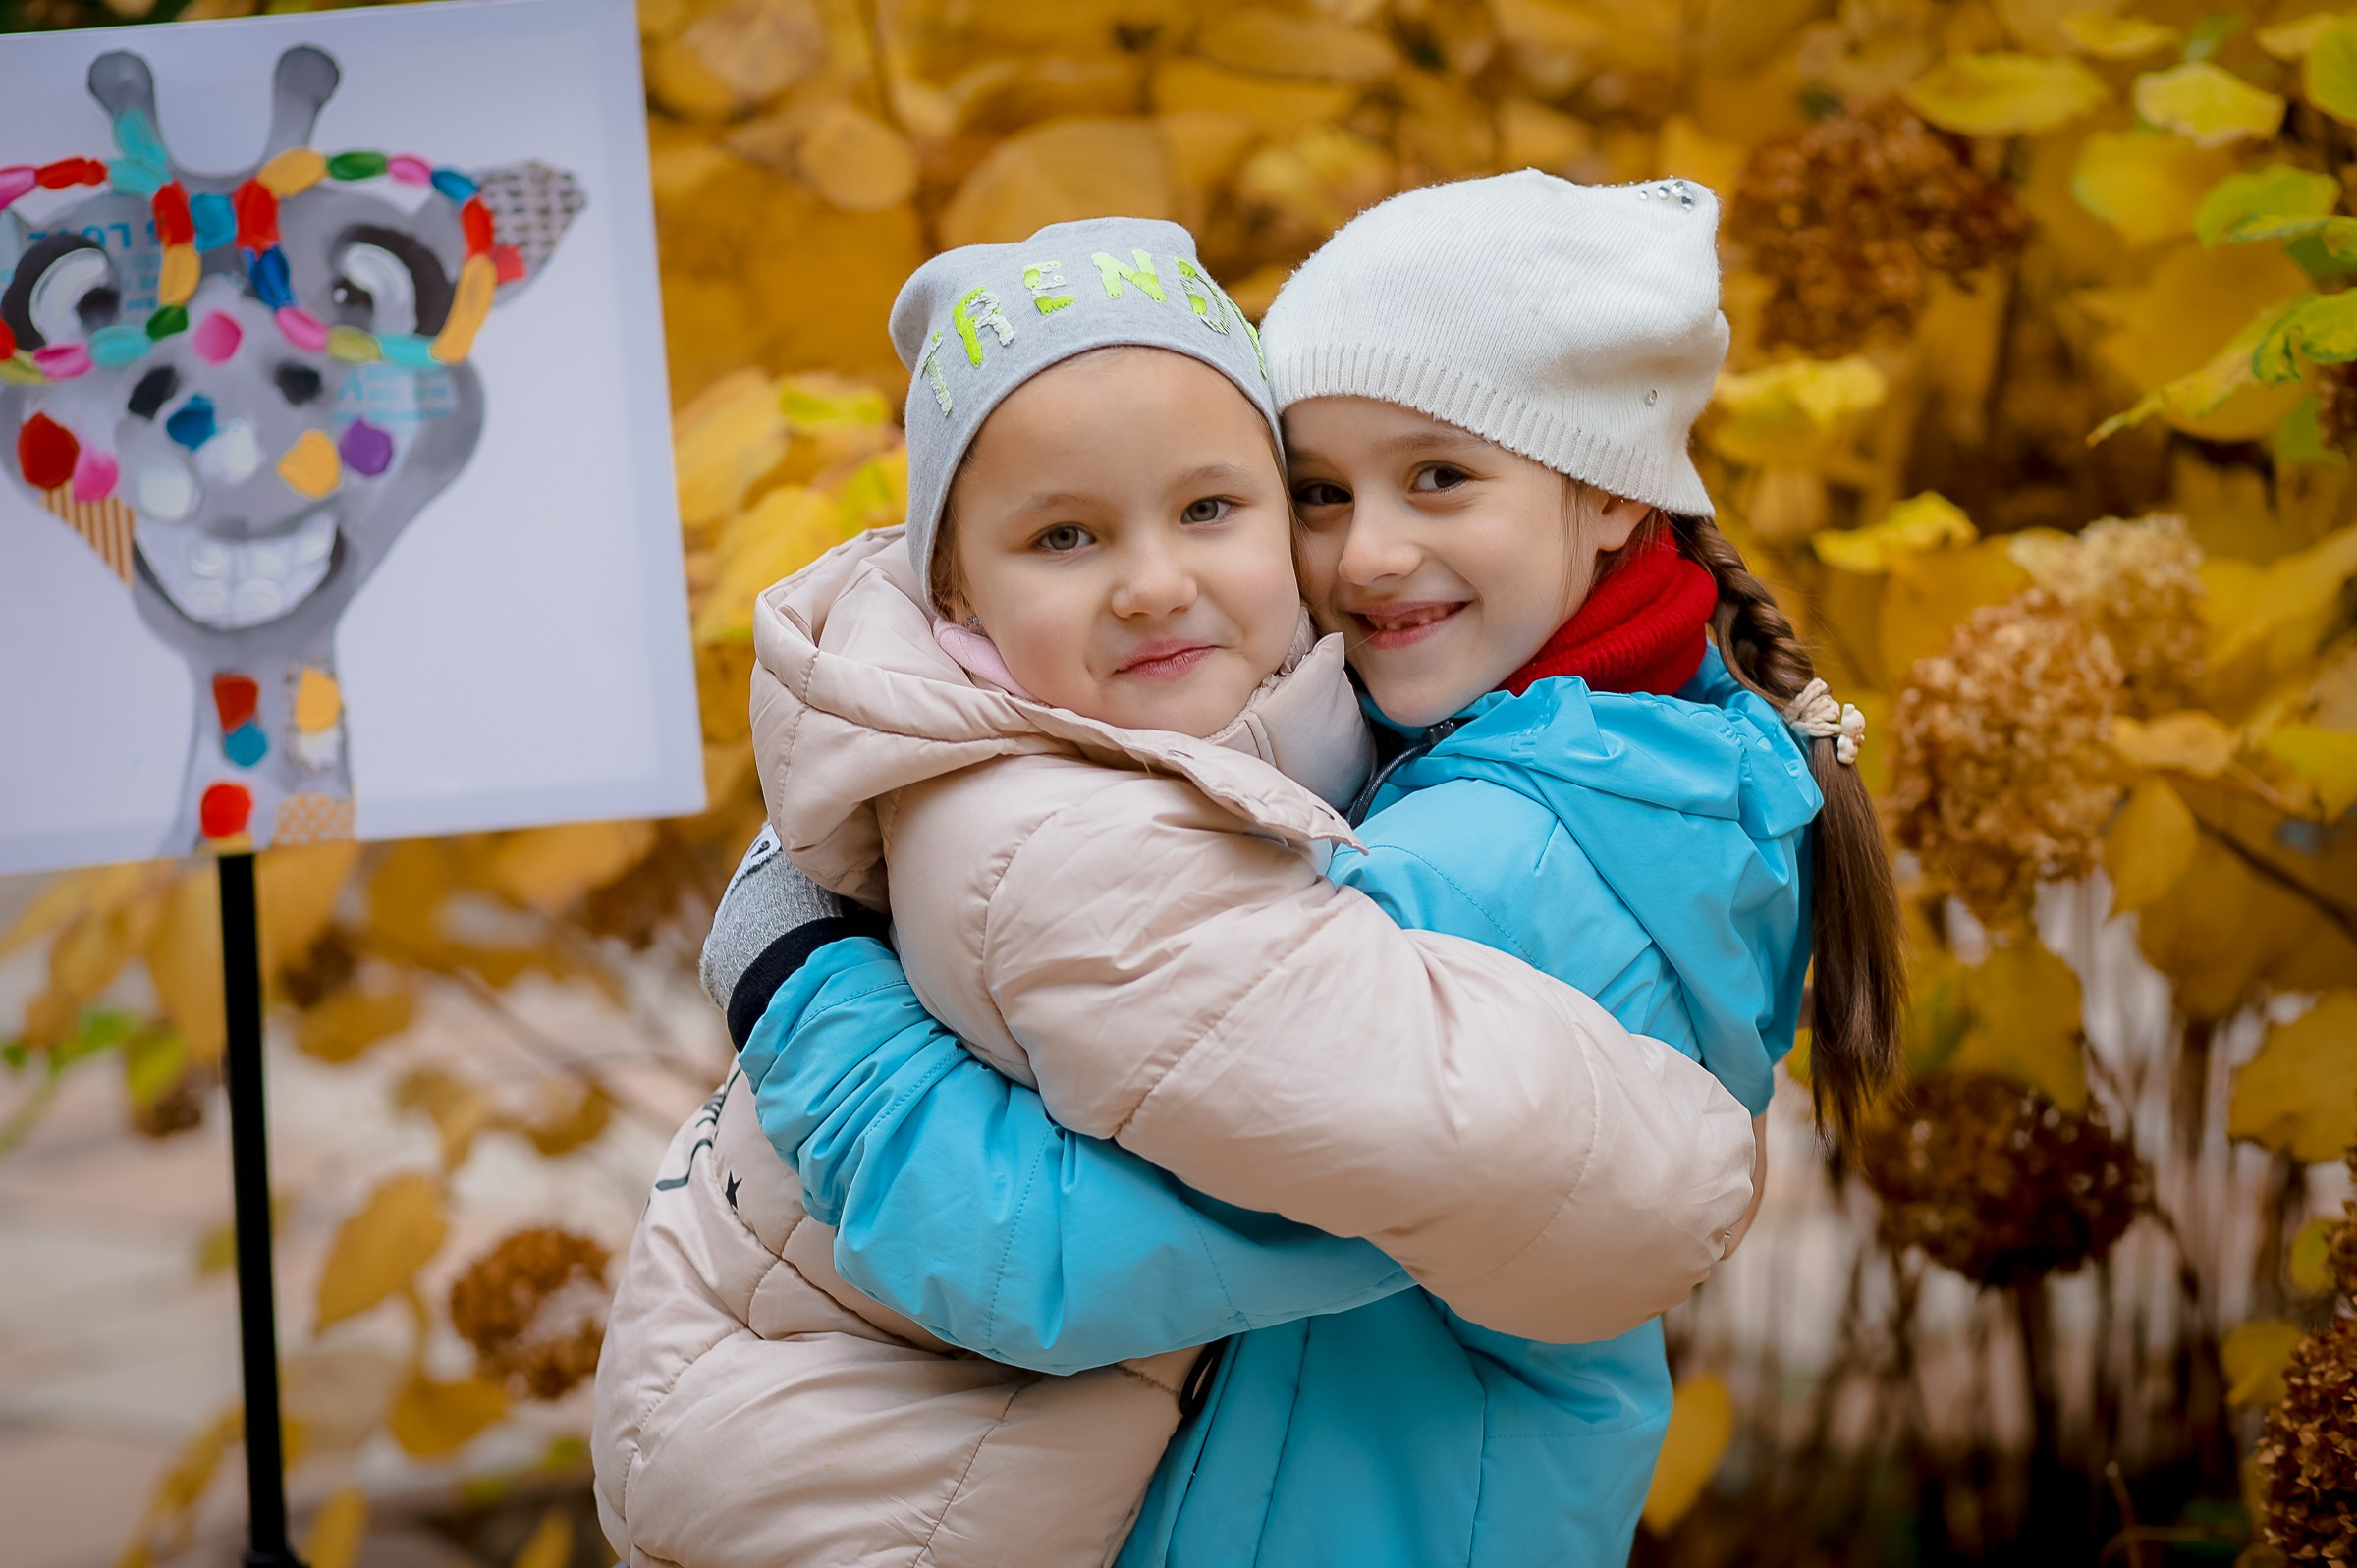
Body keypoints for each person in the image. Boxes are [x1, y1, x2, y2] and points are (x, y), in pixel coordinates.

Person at [716, 173, 1906, 1567]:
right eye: (1321, 491)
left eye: (1441, 476)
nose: (1369, 552)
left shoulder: (1505, 860)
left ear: (1605, 493)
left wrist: (806, 988)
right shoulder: (1603, 748)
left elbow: (1045, 1249)